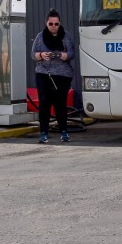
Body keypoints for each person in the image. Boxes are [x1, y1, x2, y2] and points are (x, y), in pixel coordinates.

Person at [30, 8, 76, 143]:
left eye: (56, 24)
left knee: (60, 103)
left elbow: (72, 54)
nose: (54, 27)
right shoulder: (40, 37)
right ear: (46, 23)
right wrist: (41, 55)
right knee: (44, 103)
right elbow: (33, 54)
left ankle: (64, 132)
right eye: (51, 24)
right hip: (44, 74)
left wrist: (62, 55)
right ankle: (43, 132)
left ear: (59, 23)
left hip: (62, 76)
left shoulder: (66, 37)